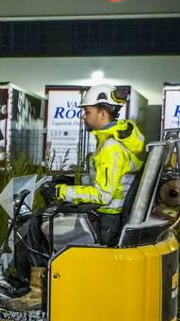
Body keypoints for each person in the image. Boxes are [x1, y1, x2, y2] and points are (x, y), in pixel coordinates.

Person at [50, 83, 146, 244]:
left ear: (102, 114)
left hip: (107, 222)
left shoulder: (110, 148)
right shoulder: (111, 141)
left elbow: (103, 195)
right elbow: (104, 181)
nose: (83, 116)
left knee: (47, 229)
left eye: (87, 112)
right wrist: (72, 182)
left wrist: (61, 191)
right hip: (108, 218)